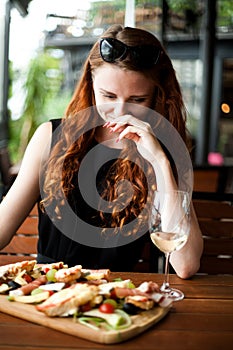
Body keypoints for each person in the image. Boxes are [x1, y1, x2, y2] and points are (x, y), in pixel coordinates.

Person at [0, 24, 203, 278]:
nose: (120, 112)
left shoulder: (163, 150)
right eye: (108, 96)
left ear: (156, 97)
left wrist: (160, 160)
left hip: (114, 298)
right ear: (90, 84)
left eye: (137, 100)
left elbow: (186, 265)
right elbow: (2, 227)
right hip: (46, 291)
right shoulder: (50, 137)